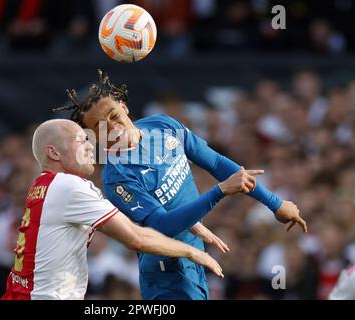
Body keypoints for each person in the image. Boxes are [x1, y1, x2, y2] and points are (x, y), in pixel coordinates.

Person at [54, 69, 308, 300]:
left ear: (124, 107)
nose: (112, 127)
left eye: (114, 115)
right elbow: (162, 225)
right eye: (100, 127)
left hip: (194, 257)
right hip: (167, 272)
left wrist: (275, 204)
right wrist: (219, 191)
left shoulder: (163, 125)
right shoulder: (117, 176)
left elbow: (217, 163)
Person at [1, 119, 227, 300]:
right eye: (81, 141)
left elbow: (137, 221)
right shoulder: (69, 186)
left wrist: (188, 222)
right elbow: (136, 238)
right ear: (54, 153)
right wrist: (191, 251)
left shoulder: (46, 186)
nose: (91, 146)